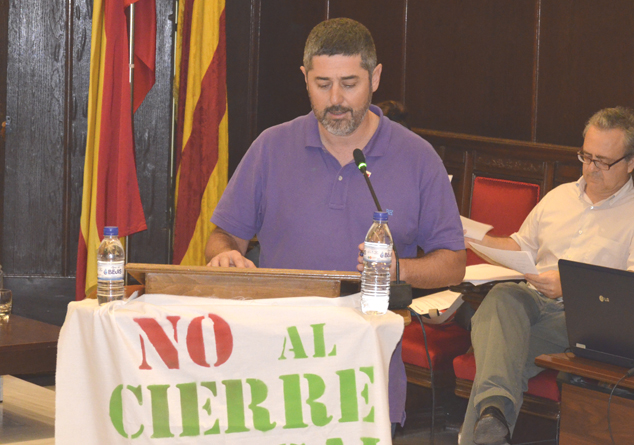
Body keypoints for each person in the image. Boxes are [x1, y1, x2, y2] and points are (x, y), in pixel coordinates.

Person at [205, 17, 466, 427]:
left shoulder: (418, 158)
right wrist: (225, 257)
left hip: (365, 372)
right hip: (273, 368)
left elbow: (453, 263)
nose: (336, 99)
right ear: (305, 79)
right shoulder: (271, 147)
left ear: (375, 78)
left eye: (349, 83)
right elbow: (224, 236)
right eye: (322, 84)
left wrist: (399, 269)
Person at [459, 106, 634, 445]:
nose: (591, 168)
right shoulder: (559, 197)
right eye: (586, 156)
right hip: (530, 300)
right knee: (502, 297)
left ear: (630, 162)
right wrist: (471, 237)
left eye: (603, 161)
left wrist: (566, 285)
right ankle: (492, 419)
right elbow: (519, 246)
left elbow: (628, 289)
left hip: (584, 320)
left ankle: (492, 414)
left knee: (498, 351)